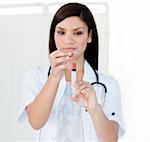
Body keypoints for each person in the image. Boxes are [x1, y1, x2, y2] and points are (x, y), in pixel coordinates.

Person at [18, 2, 125, 142]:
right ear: (53, 36)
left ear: (89, 36)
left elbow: (111, 139)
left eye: (78, 33)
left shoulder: (107, 84)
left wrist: (94, 109)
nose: (68, 40)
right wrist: (54, 78)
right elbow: (36, 122)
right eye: (61, 32)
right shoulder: (35, 76)